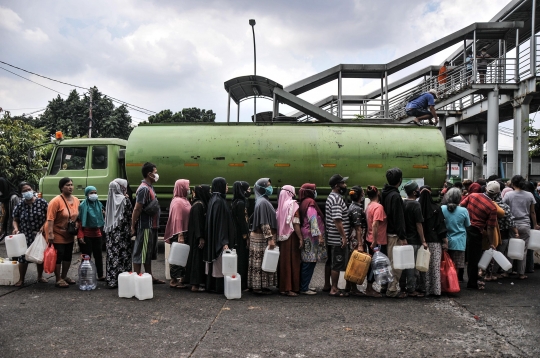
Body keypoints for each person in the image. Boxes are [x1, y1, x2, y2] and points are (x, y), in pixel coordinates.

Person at [460, 181, 498, 290]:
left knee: (460, 254)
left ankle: (457, 279)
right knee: (473, 259)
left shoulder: (472, 196)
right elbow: (491, 227)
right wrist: (491, 243)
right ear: (496, 194)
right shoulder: (492, 207)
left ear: (485, 188)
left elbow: (461, 206)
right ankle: (472, 283)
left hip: (463, 228)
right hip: (476, 232)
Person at [131, 162, 164, 284]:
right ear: (149, 174)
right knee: (140, 252)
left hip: (151, 225)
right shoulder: (144, 189)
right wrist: (133, 225)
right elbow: (137, 208)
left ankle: (149, 276)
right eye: (155, 172)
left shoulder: (149, 187)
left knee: (148, 252)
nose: (156, 175)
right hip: (145, 225)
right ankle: (138, 278)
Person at [503, 175, 540, 280]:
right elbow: (532, 212)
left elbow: (504, 210)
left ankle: (507, 271)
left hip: (511, 225)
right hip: (525, 224)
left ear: (513, 184)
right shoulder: (529, 195)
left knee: (510, 248)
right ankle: (521, 273)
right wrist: (536, 224)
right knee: (523, 250)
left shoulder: (508, 195)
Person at [11, 182, 48, 286]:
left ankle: (40, 276)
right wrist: (16, 228)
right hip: (25, 235)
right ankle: (21, 279)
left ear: (32, 190)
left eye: (29, 189)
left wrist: (44, 226)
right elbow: (15, 219)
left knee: (39, 255)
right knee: (23, 257)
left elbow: (49, 217)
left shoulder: (42, 202)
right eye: (24, 191)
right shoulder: (20, 205)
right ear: (21, 193)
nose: (27, 192)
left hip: (39, 234)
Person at [46, 177, 80, 288]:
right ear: (61, 187)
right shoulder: (55, 201)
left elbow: (77, 216)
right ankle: (58, 278)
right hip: (57, 233)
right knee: (59, 255)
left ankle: (64, 276)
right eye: (67, 185)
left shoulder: (76, 200)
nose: (70, 187)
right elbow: (50, 219)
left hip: (69, 233)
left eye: (71, 184)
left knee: (68, 255)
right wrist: (50, 234)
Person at [205, 177, 235, 294]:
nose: (227, 187)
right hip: (220, 239)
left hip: (215, 237)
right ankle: (218, 287)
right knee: (219, 264)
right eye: (225, 185)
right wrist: (224, 242)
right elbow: (221, 223)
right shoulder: (219, 201)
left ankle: (212, 286)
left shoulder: (215, 199)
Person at [248, 178, 278, 295]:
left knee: (261, 262)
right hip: (261, 237)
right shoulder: (263, 202)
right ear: (261, 188)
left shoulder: (261, 200)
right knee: (260, 262)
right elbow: (264, 222)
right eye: (267, 186)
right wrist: (270, 238)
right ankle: (257, 287)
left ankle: (260, 286)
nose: (270, 188)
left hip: (260, 237)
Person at [382, 168, 408, 298]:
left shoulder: (384, 193)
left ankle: (384, 285)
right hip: (394, 234)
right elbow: (399, 218)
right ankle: (392, 289)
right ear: (400, 180)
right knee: (396, 263)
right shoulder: (396, 196)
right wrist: (402, 236)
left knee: (388, 262)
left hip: (385, 232)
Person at [325, 174, 352, 297]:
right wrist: (344, 236)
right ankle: (334, 288)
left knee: (331, 262)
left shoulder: (332, 197)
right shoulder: (336, 199)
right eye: (343, 183)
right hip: (336, 238)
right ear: (337, 186)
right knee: (337, 263)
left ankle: (328, 285)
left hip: (332, 236)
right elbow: (337, 220)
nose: (345, 185)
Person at [418, 186, 448, 297]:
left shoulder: (418, 208)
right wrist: (445, 241)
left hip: (421, 241)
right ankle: (435, 290)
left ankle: (424, 288)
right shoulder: (436, 208)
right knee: (435, 266)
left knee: (423, 265)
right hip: (435, 241)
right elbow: (441, 226)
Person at [103, 179, 133, 288]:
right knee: (123, 255)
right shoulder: (125, 200)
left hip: (111, 234)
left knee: (112, 256)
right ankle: (124, 281)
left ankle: (112, 280)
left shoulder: (110, 199)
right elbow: (130, 214)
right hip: (123, 233)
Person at [298, 183, 325, 295]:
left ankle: (305, 285)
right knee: (309, 261)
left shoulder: (304, 202)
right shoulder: (310, 203)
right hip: (311, 236)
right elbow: (313, 219)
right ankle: (304, 287)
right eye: (314, 190)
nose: (315, 192)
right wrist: (319, 235)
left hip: (308, 235)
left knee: (308, 261)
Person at [487, 181, 518, 280]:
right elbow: (510, 221)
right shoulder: (505, 207)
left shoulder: (485, 203)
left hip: (487, 234)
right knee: (498, 254)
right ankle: (494, 273)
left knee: (487, 254)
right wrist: (516, 232)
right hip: (503, 234)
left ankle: (485, 272)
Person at [164, 179, 192, 289]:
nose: (189, 189)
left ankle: (181, 278)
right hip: (179, 232)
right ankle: (174, 280)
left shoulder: (184, 200)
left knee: (182, 256)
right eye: (187, 186)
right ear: (181, 188)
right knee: (177, 256)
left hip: (184, 231)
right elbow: (177, 219)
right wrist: (180, 234)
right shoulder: (177, 202)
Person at [402, 181, 427, 297]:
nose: (419, 190)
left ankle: (403, 286)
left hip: (404, 239)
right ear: (413, 192)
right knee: (412, 266)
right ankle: (411, 289)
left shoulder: (403, 203)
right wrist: (423, 240)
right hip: (414, 240)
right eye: (417, 189)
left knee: (403, 265)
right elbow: (419, 224)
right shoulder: (416, 205)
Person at [276, 185, 302, 297]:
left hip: (282, 237)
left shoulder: (280, 206)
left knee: (283, 262)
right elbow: (296, 222)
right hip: (291, 237)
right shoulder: (293, 204)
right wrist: (300, 237)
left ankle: (283, 287)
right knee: (292, 262)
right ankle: (290, 288)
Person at [186, 184, 211, 292]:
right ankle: (195, 285)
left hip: (196, 236)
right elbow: (197, 223)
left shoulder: (199, 204)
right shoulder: (198, 205)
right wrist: (200, 237)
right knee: (196, 259)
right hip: (196, 238)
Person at [442, 188, 470, 282]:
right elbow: (467, 225)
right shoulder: (464, 210)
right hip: (459, 242)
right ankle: (453, 283)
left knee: (444, 264)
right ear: (459, 198)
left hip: (444, 240)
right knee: (456, 266)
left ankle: (444, 283)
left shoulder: (442, 208)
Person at [77, 186, 105, 281]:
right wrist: (80, 235)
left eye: (95, 192)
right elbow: (80, 222)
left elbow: (102, 218)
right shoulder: (82, 206)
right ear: (87, 194)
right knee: (86, 256)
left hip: (97, 234)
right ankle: (84, 276)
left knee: (98, 255)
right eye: (91, 193)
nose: (94, 195)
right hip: (87, 234)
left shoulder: (99, 204)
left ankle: (100, 275)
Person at [365, 185, 386, 297]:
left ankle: (370, 287)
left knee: (373, 263)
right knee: (375, 264)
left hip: (370, 238)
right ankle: (369, 288)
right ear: (377, 193)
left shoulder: (369, 206)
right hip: (377, 240)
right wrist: (375, 240)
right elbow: (375, 224)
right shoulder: (378, 207)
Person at [231, 181, 251, 290]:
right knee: (242, 258)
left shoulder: (235, 202)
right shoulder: (241, 203)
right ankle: (242, 283)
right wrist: (246, 235)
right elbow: (242, 221)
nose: (249, 191)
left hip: (236, 234)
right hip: (241, 235)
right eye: (247, 189)